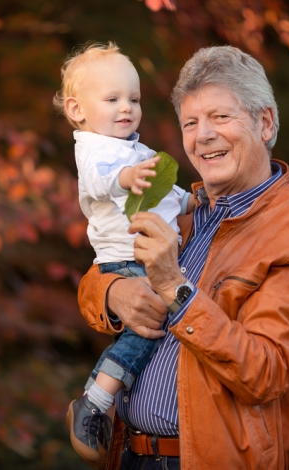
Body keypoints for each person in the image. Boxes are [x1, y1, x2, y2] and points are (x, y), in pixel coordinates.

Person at [77, 45, 289, 470]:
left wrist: (173, 287)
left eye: (221, 117)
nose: (203, 135)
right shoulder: (183, 213)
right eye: (191, 122)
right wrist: (115, 292)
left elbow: (265, 374)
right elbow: (94, 278)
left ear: (265, 121)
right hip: (128, 453)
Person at [52, 42, 194, 468]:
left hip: (143, 255)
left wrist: (189, 201)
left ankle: (102, 401)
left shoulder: (132, 148)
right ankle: (94, 402)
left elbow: (162, 191)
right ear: (78, 110)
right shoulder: (95, 149)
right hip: (125, 259)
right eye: (112, 99)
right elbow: (104, 181)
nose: (126, 108)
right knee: (146, 327)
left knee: (152, 326)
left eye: (133, 99)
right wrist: (127, 176)